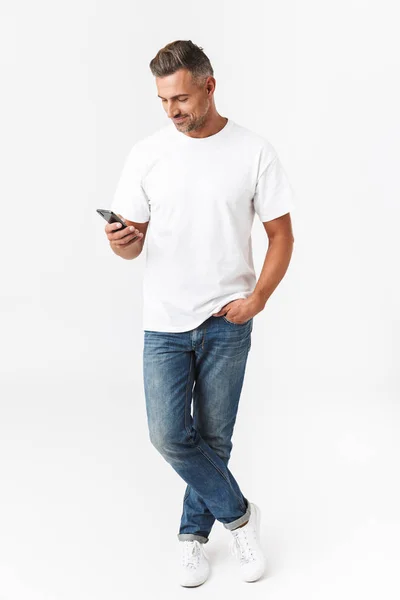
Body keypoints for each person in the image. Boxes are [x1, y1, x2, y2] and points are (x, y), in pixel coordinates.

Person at [105, 40, 295, 587]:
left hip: (228, 319)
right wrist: (121, 239)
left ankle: (192, 536)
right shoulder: (147, 154)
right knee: (168, 435)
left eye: (182, 98)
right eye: (164, 101)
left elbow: (281, 235)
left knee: (214, 438)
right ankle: (240, 515)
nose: (173, 111)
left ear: (210, 87)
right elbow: (131, 245)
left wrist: (259, 297)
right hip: (164, 320)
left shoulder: (254, 151)